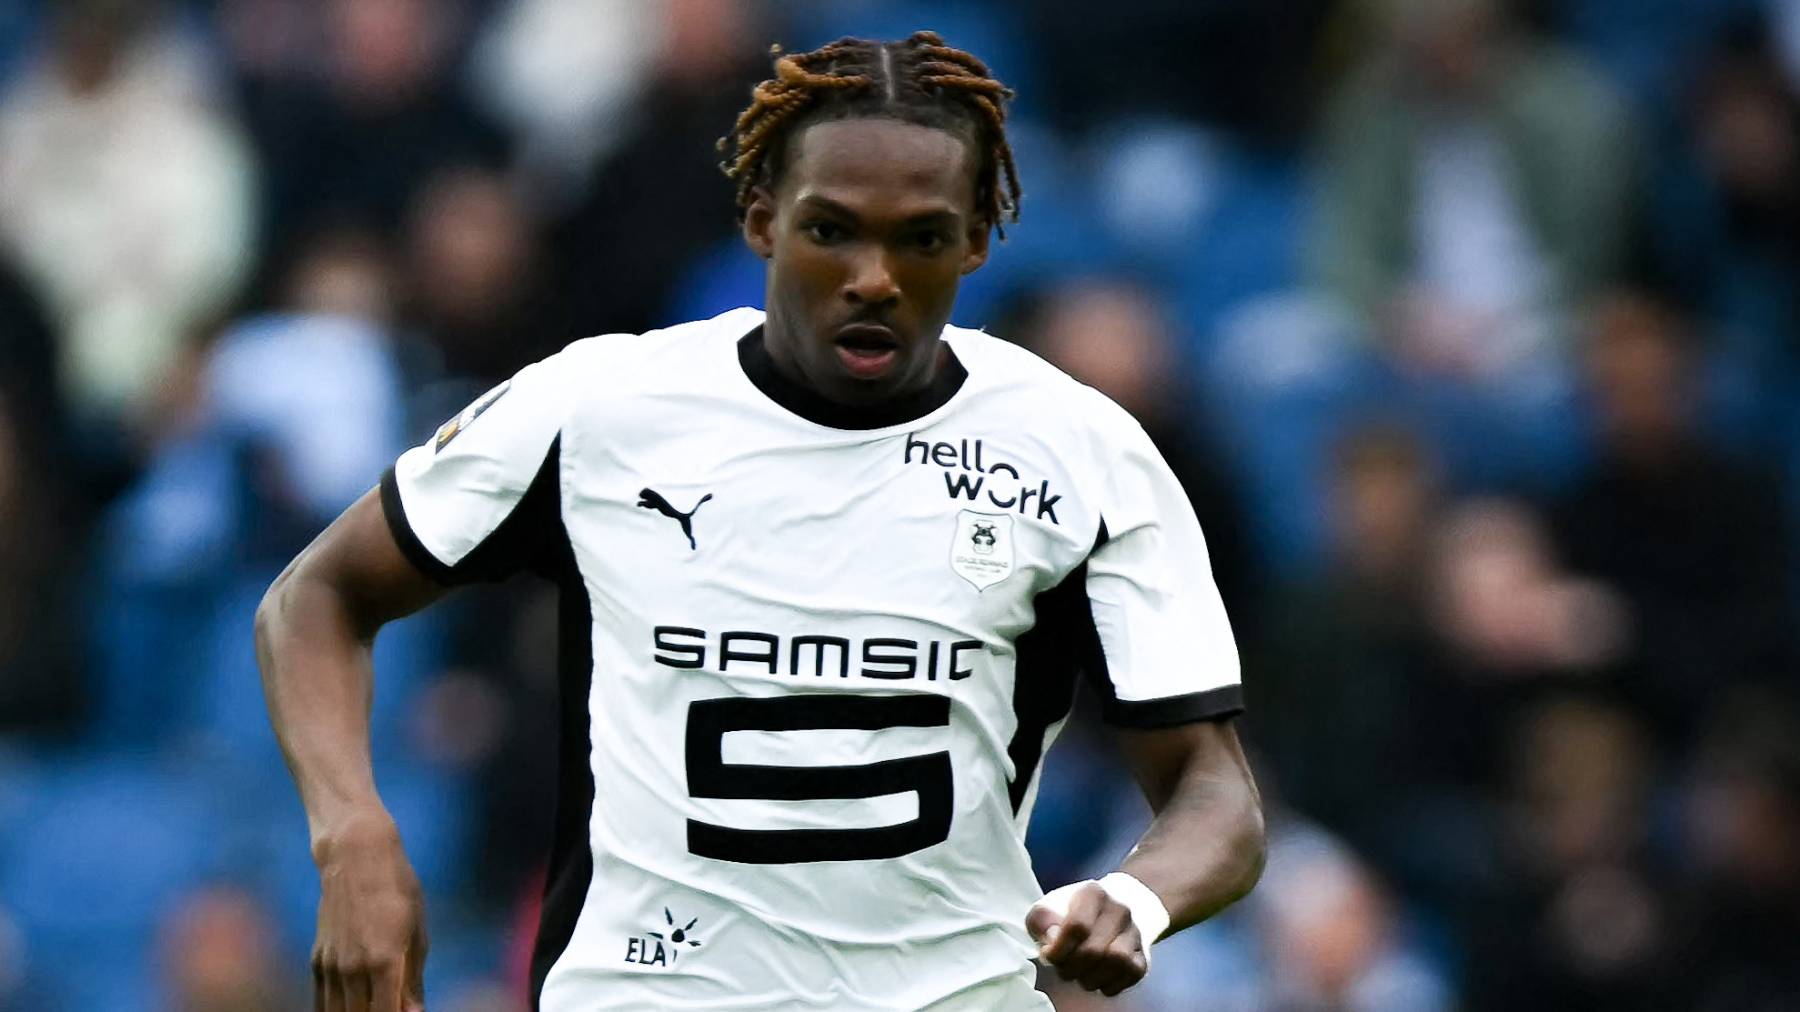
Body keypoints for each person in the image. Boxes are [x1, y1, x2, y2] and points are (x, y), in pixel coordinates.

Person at [256, 32, 1264, 1012]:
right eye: (832, 229)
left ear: (975, 241)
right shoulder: (600, 409)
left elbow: (1214, 791)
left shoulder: (1081, 450)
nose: (874, 275)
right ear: (761, 219)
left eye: (919, 237)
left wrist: (1135, 894)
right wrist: (354, 837)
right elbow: (317, 598)